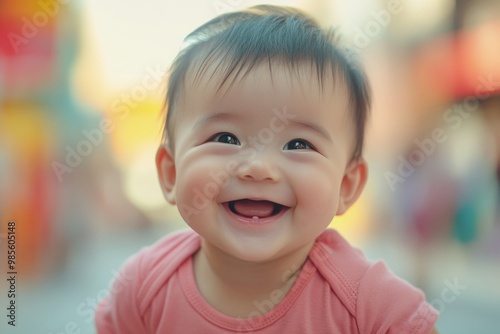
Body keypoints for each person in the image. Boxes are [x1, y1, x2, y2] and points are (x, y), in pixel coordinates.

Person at [95, 5, 439, 333]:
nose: (258, 168)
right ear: (170, 173)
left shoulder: (371, 307)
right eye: (225, 137)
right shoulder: (142, 290)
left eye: (299, 144)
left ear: (346, 186)